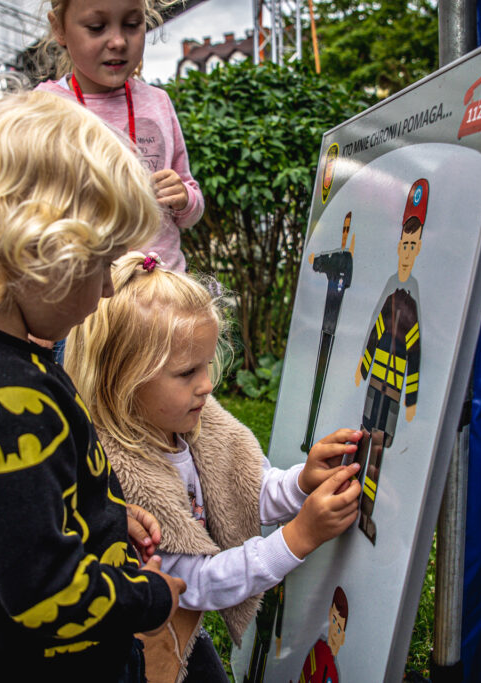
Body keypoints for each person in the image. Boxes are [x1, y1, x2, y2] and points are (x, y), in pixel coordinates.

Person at [0, 91, 185, 682]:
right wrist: (151, 599)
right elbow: (44, 593)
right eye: (101, 263)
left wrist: (89, 512)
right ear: (39, 253)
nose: (107, 290)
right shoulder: (7, 402)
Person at [64, 252, 364, 683]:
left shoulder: (197, 426)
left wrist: (301, 481)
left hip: (181, 625)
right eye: (186, 372)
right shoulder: (120, 477)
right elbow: (195, 582)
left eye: (206, 364)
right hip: (132, 644)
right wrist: (299, 538)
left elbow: (246, 490)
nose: (207, 384)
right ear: (121, 380)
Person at [35, 0, 205, 274]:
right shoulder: (42, 108)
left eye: (131, 25)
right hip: (84, 298)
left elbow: (190, 206)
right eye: (96, 27)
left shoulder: (158, 102)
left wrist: (184, 197)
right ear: (59, 28)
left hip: (160, 292)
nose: (118, 41)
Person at [352, 178, 428, 544]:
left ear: (418, 249)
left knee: (378, 450)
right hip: (375, 385)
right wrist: (362, 367)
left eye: (415, 246)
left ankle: (365, 512)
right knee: (362, 441)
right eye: (405, 244)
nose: (408, 251)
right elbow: (373, 334)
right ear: (399, 246)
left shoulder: (413, 306)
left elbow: (413, 356)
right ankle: (347, 503)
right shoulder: (388, 297)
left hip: (395, 391)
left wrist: (410, 400)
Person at [302, 211, 356, 452]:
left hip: (334, 330)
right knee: (319, 380)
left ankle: (312, 436)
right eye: (343, 230)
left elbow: (322, 263)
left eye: (347, 231)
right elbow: (316, 262)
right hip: (326, 327)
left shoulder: (345, 258)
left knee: (325, 381)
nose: (344, 236)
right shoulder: (338, 256)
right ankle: (309, 437)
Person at [294, 586, 349, 683]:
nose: (335, 633)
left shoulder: (330, 661)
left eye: (339, 629)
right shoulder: (319, 649)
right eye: (333, 620)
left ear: (343, 638)